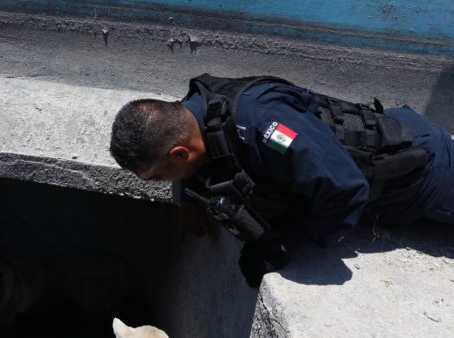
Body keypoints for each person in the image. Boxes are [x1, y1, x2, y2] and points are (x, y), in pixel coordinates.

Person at [109, 74, 454, 287]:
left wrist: (283, 246)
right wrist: (188, 201)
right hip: (392, 161)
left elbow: (346, 189)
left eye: (159, 177)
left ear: (180, 155)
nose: (159, 183)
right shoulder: (191, 116)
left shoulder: (265, 127)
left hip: (426, 174)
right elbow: (206, 157)